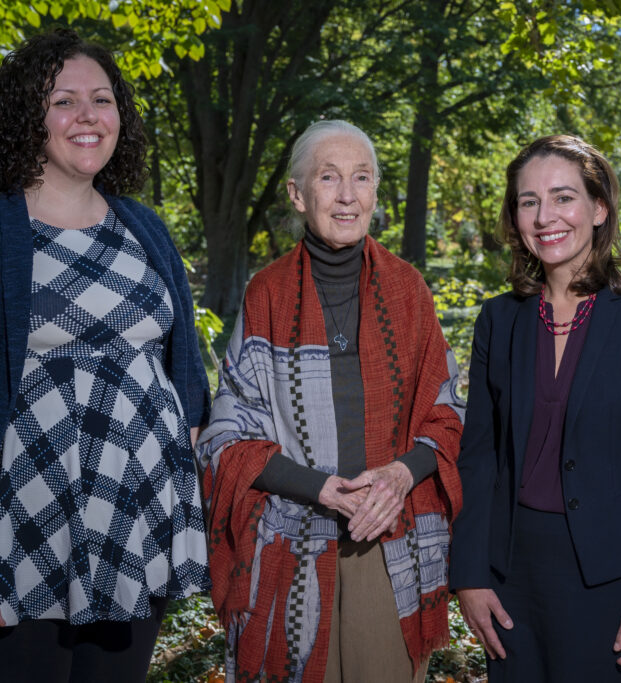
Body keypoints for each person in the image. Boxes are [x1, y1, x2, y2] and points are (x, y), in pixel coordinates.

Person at [0, 29, 211, 682]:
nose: (88, 116)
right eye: (64, 101)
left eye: (102, 99)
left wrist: (203, 521)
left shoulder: (147, 229)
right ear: (27, 117)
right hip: (16, 540)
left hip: (135, 531)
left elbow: (185, 385)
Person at [196, 119, 465, 683]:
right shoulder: (266, 293)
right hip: (290, 538)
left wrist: (397, 476)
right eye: (329, 177)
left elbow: (449, 411)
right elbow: (227, 434)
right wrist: (319, 488)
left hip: (388, 538)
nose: (347, 195)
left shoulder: (408, 289)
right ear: (298, 194)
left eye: (361, 177)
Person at [449, 134, 621, 682]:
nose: (544, 216)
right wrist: (469, 576)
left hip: (609, 580)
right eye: (528, 201)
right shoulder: (500, 319)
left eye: (563, 197)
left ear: (599, 207)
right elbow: (480, 458)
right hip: (510, 576)